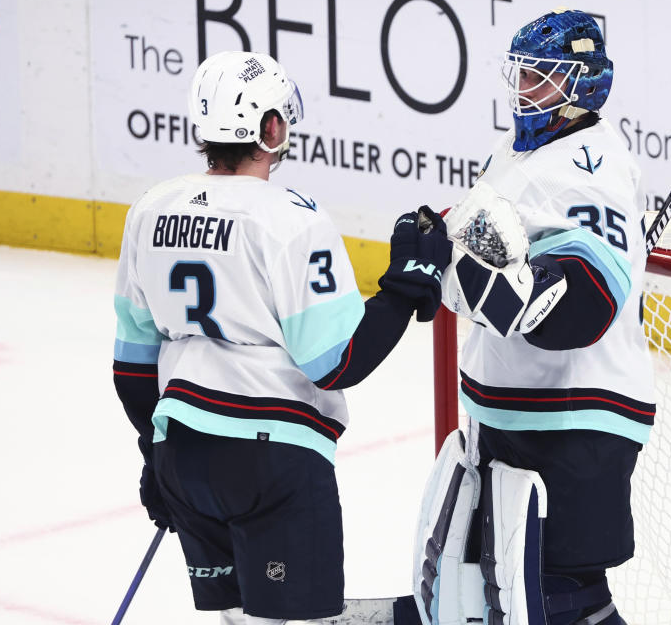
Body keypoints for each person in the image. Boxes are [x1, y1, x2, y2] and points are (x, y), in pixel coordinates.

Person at [112, 51, 451, 625]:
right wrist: (403, 288)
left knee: (241, 618)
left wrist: (157, 452)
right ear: (271, 128)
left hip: (184, 457)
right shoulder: (293, 219)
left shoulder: (150, 209)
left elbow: (133, 368)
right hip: (271, 464)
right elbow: (336, 361)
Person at [411, 8, 655, 625]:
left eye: (542, 78)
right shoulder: (519, 150)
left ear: (584, 86)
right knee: (503, 590)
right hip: (515, 410)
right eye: (521, 75)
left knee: (562, 596)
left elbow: (585, 306)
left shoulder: (591, 170)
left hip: (577, 417)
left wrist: (469, 277)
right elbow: (491, 257)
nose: (524, 91)